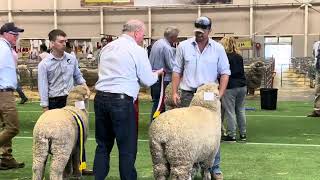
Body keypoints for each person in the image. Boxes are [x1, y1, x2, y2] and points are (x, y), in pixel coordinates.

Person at [93, 19, 163, 180]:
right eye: (143, 35)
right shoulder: (137, 50)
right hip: (121, 102)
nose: (142, 38)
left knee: (103, 145)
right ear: (137, 32)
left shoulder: (107, 47)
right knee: (127, 148)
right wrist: (157, 73)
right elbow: (147, 80)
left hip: (100, 98)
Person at [171, 16, 230, 180]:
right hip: (188, 93)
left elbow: (225, 72)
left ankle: (215, 168)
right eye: (197, 31)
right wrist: (174, 92)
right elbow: (177, 70)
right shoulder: (183, 46)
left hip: (209, 94)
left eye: (203, 32)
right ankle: (189, 167)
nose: (200, 34)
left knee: (212, 132)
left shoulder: (218, 48)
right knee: (187, 132)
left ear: (210, 31)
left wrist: (221, 93)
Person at [37, 29, 93, 175]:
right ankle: (60, 169)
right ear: (52, 43)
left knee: (79, 132)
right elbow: (43, 86)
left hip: (71, 102)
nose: (64, 44)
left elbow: (78, 76)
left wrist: (85, 86)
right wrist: (45, 108)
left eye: (65, 41)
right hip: (55, 102)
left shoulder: (71, 58)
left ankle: (80, 167)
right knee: (58, 136)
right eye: (61, 41)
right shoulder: (44, 64)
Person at [0, 22, 25, 170]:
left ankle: (6, 158)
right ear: (4, 33)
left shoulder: (6, 48)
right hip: (3, 93)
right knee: (13, 128)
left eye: (17, 34)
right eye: (14, 34)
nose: (17, 36)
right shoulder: (2, 48)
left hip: (5, 91)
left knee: (5, 125)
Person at [219, 36, 247, 142]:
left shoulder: (224, 57)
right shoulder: (239, 56)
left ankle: (232, 135)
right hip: (242, 86)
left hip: (230, 87)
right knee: (240, 110)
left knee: (230, 111)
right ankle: (243, 134)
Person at [149, 26, 179, 120]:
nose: (176, 39)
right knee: (160, 104)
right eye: (176, 37)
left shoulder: (158, 43)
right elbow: (171, 66)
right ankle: (155, 123)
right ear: (172, 37)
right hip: (162, 80)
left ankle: (155, 122)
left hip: (154, 78)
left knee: (157, 103)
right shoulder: (167, 48)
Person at [308, 40, 320, 117]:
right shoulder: (316, 44)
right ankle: (317, 111)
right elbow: (314, 55)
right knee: (318, 90)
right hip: (318, 70)